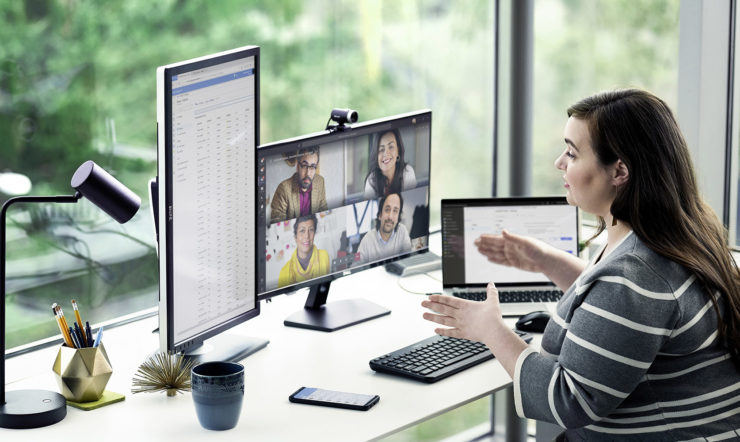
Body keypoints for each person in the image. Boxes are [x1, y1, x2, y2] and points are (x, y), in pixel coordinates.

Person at [422, 89, 740, 440]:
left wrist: (491, 331)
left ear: (619, 171)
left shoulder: (635, 279)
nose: (560, 162)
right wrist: (549, 262)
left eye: (572, 153)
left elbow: (569, 401)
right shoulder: (683, 233)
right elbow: (634, 317)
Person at [270, 147, 328, 223]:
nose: (308, 173)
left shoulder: (320, 182)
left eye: (313, 167)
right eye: (304, 165)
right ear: (297, 167)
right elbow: (277, 222)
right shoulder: (283, 189)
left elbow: (323, 211)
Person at [278, 214, 330, 287]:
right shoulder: (284, 272)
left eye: (311, 230)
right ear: (295, 237)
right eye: (302, 231)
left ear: (314, 234)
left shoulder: (323, 256)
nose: (307, 236)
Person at [358, 192, 412, 263]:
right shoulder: (367, 240)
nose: (390, 217)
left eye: (395, 211)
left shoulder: (402, 231)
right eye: (387, 210)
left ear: (398, 218)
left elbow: (409, 258)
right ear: (380, 215)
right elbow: (356, 266)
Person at [364, 129, 417, 199]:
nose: (386, 154)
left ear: (398, 150)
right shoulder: (371, 180)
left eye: (391, 147)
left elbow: (412, 201)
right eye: (381, 150)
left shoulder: (408, 172)